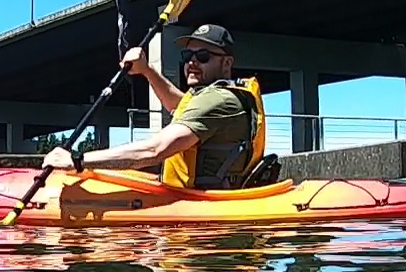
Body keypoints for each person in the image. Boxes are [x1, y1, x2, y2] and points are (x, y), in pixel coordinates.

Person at [42, 23, 264, 189]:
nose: (192, 62)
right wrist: (146, 70)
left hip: (199, 207)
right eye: (188, 55)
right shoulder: (215, 97)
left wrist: (78, 161)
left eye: (203, 56)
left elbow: (155, 150)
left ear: (226, 63)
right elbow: (179, 106)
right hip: (193, 193)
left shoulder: (218, 100)